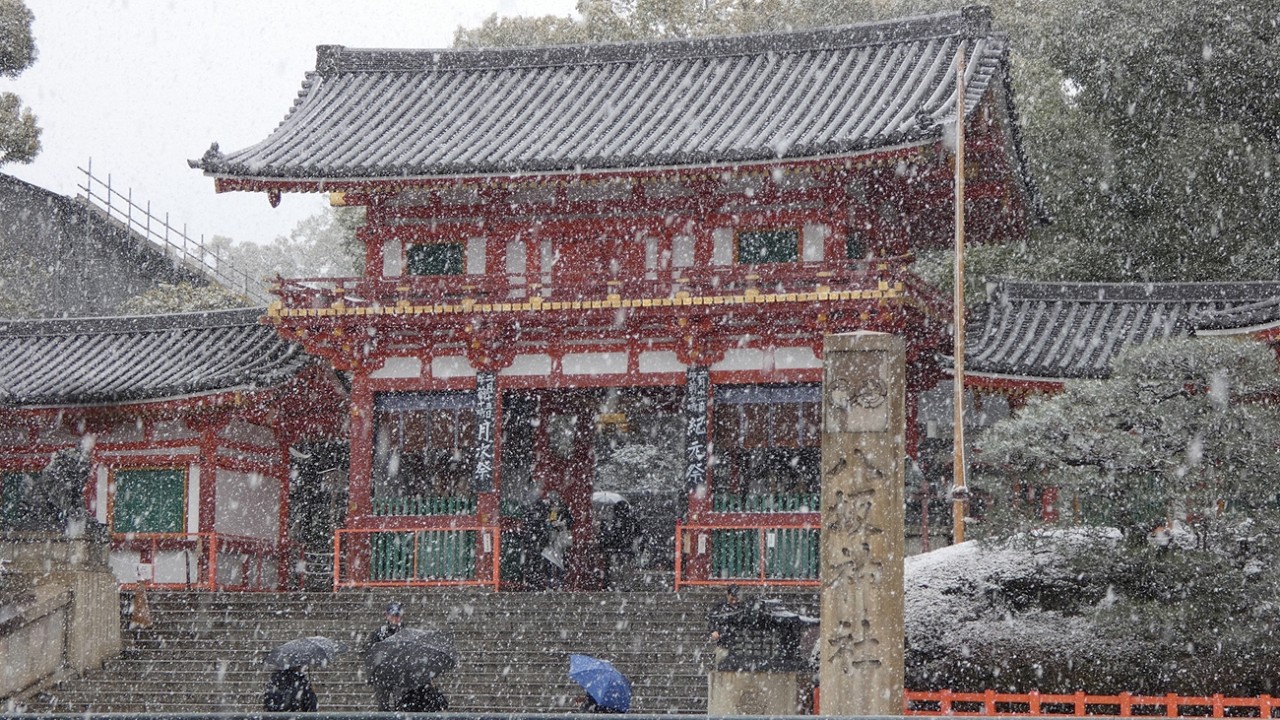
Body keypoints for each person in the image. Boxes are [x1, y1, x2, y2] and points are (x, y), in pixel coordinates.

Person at [365, 602, 405, 710]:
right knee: (383, 706)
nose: (395, 619)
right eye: (392, 615)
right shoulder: (379, 632)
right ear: (387, 616)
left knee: (401, 705)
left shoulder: (405, 632)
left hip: (400, 674)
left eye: (397, 616)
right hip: (382, 674)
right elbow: (368, 650)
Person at [539, 492, 573, 590]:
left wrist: (562, 524)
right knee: (548, 562)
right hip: (549, 541)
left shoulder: (564, 511)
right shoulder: (547, 510)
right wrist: (549, 524)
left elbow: (570, 521)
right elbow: (544, 523)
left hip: (559, 541)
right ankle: (551, 583)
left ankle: (559, 584)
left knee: (559, 563)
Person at [707, 585, 744, 668]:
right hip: (724, 643)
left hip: (739, 644)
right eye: (732, 599)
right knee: (720, 666)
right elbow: (711, 619)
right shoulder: (720, 607)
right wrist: (713, 630)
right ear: (727, 595)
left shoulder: (742, 607)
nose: (734, 602)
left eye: (736, 599)